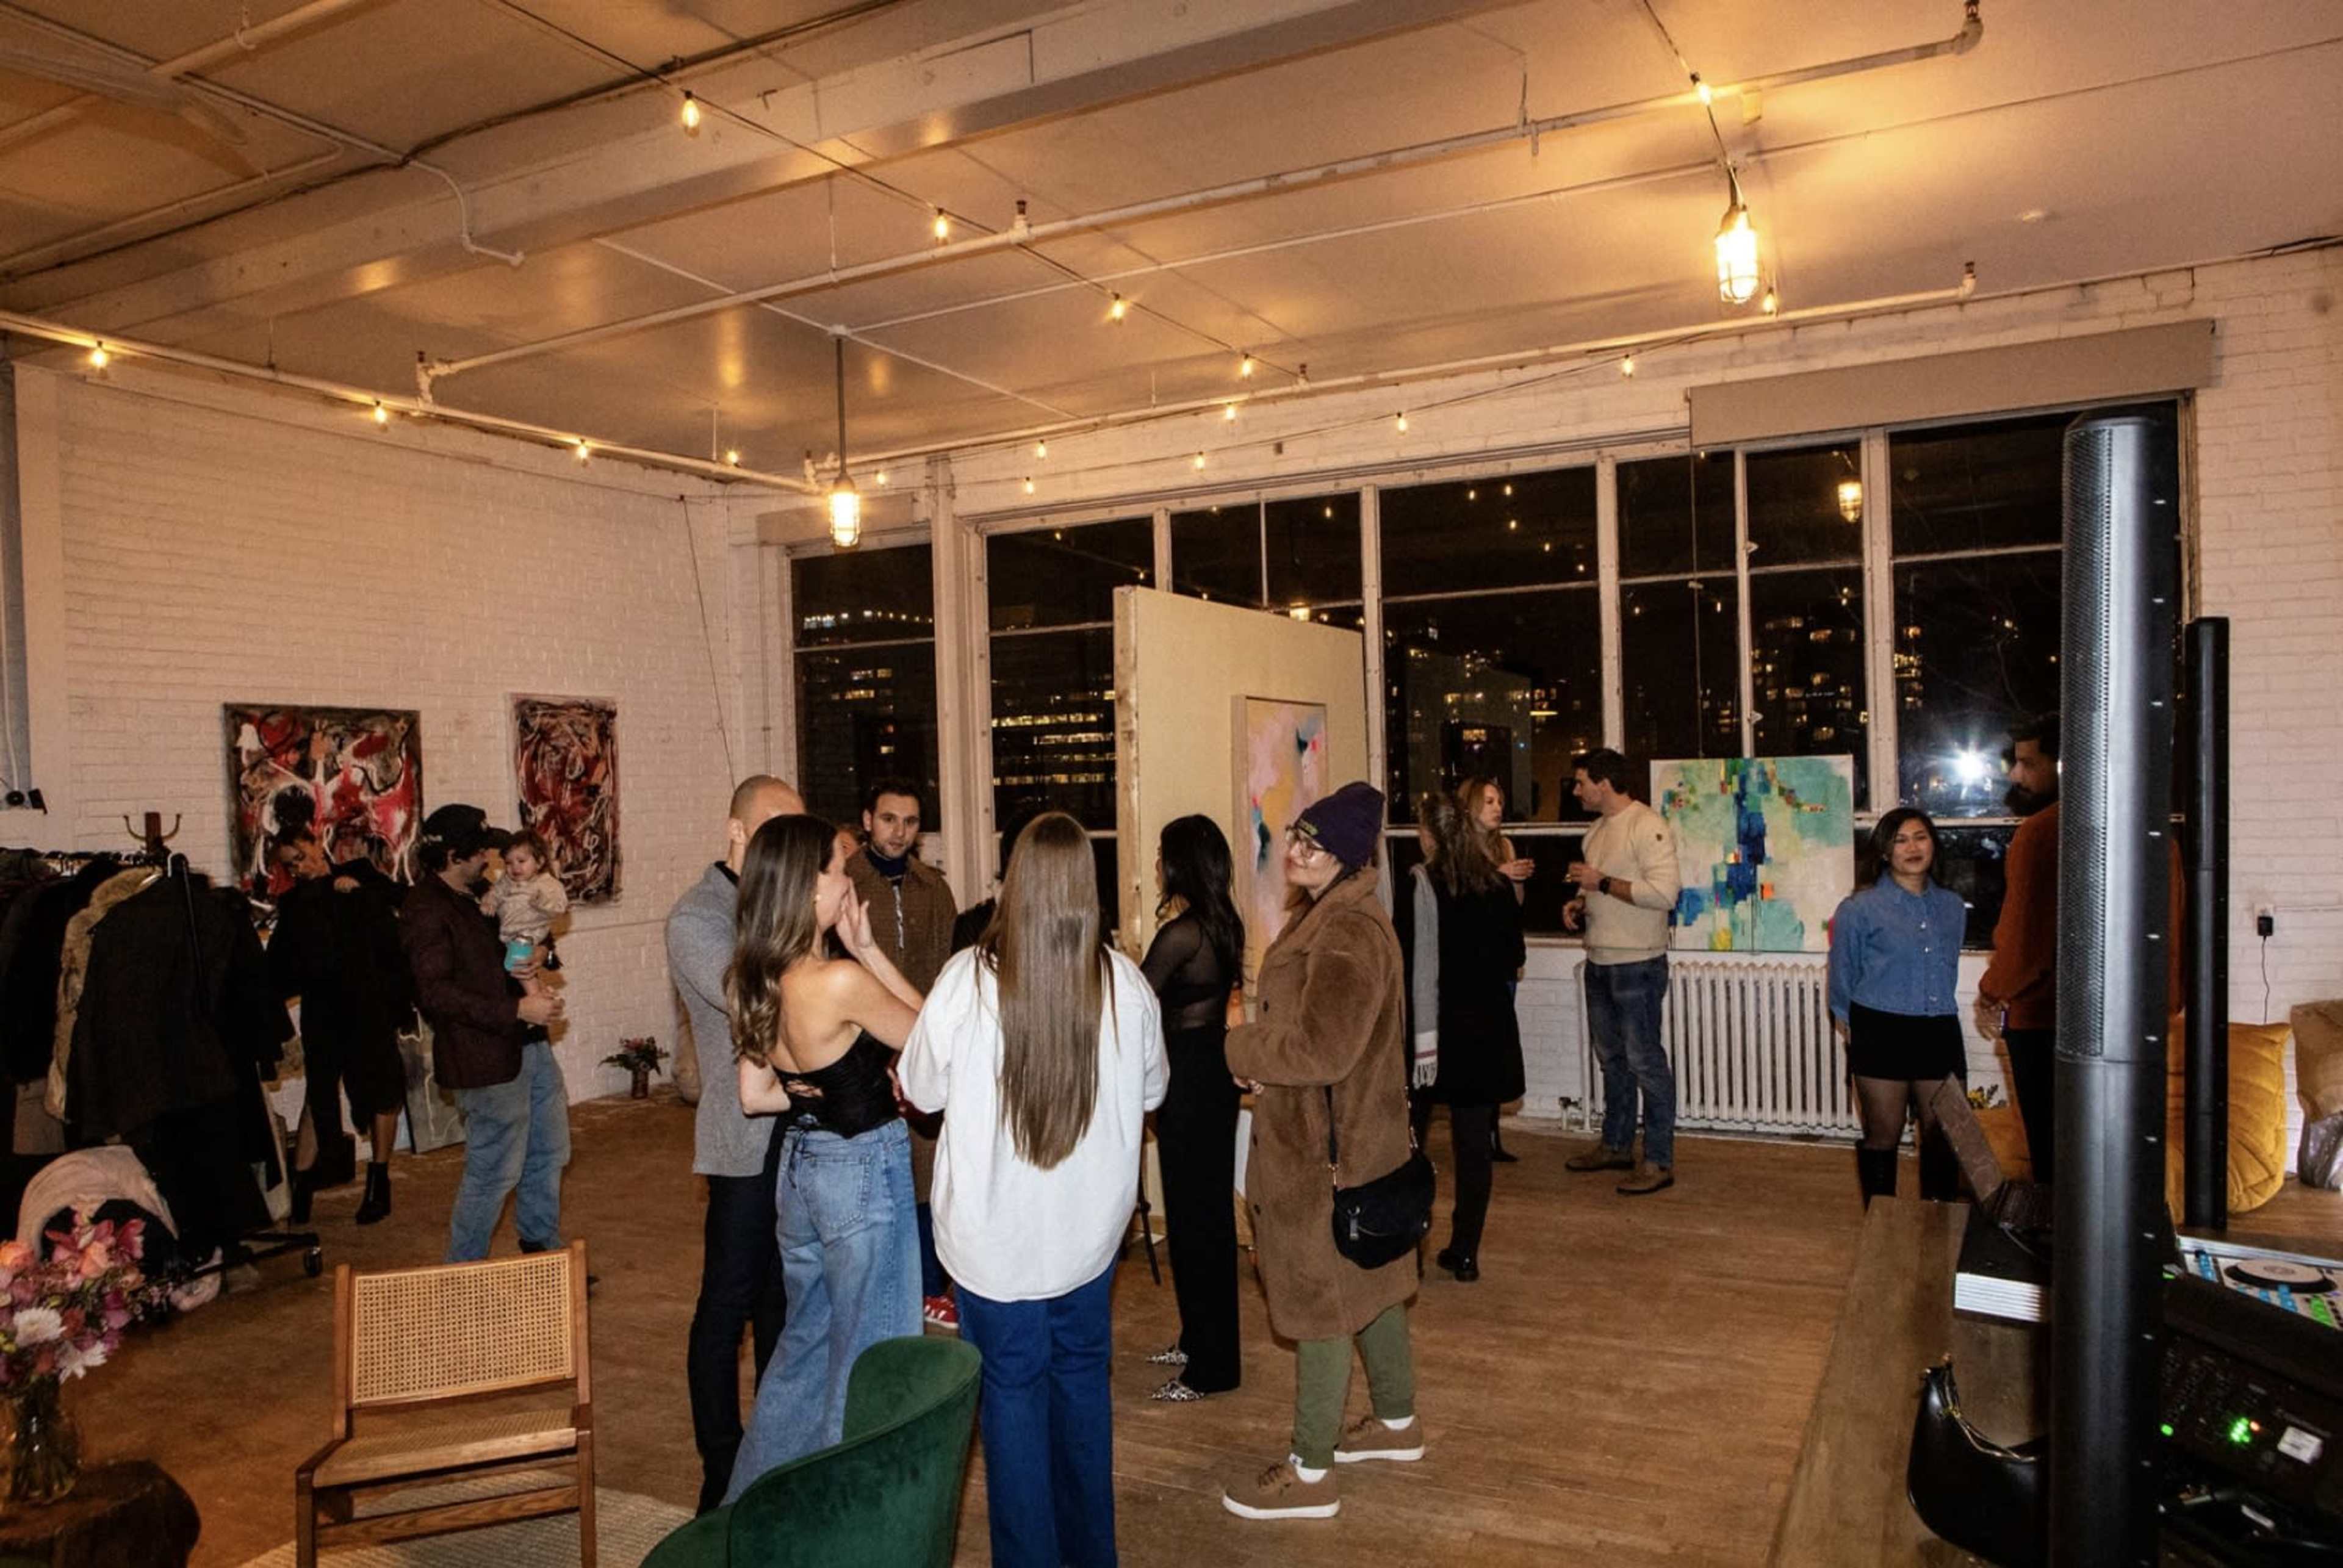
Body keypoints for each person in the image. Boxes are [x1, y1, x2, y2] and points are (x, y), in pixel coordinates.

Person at [900, 813, 1168, 1567]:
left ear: (1012, 883)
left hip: (995, 1246)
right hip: (1087, 1244)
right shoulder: (1128, 985)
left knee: (1012, 1402)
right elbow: (1154, 1091)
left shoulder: (965, 981)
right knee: (1081, 1387)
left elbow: (919, 1088)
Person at [1220, 782, 1422, 1522]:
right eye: (1295, 836)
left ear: (1345, 856)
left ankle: (1312, 1472)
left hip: (1324, 1153)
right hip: (1348, 1143)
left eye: (1313, 842)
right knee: (1369, 1282)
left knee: (1322, 1304)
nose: (1295, 851)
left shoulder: (1347, 932)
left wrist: (1242, 1046)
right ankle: (1398, 1422)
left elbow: (1323, 1047)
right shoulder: (1337, 916)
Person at [723, 815, 924, 1501]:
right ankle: (843, 1522)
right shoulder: (837, 979)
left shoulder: (750, 976)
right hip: (861, 1171)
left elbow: (757, 1095)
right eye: (841, 868)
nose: (850, 881)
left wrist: (822, 1089)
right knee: (870, 1357)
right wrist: (868, 949)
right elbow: (933, 1042)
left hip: (801, 1171)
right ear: (810, 889)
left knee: (804, 1352)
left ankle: (750, 1513)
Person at [666, 774, 803, 1512]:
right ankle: (721, 1471)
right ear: (737, 834)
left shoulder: (779, 908)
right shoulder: (699, 914)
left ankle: (774, 1455)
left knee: (785, 1305)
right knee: (727, 1310)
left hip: (798, 1132)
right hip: (741, 1142)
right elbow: (760, 997)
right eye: (776, 835)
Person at [398, 804, 567, 1262]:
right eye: (480, 854)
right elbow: (435, 994)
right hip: (485, 1059)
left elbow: (529, 937)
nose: (490, 861)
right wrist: (516, 1008)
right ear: (454, 855)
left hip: (528, 1047)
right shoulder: (426, 911)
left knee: (548, 1155)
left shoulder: (484, 894)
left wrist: (543, 954)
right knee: (493, 1172)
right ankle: (464, 1274)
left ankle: (543, 1257)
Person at [845, 777, 960, 1328]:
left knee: (928, 1167)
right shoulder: (843, 884)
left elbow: (947, 971)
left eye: (911, 822)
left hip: (924, 1045)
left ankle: (931, 1286)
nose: (900, 832)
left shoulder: (934, 889)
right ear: (868, 820)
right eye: (890, 819)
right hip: (860, 1050)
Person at [1137, 813, 1244, 1400]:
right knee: (1202, 1217)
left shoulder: (1182, 933)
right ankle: (1199, 1337)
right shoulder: (1224, 923)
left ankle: (1212, 1367)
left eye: (1162, 854)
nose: (1158, 865)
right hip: (1212, 1072)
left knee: (1195, 1219)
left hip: (1187, 1078)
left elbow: (1135, 997)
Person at [267, 832, 414, 1226]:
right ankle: (301, 1189)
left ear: (318, 845)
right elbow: (282, 965)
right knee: (318, 1094)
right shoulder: (297, 903)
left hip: (369, 1007)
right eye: (290, 864)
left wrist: (360, 890)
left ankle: (378, 1180)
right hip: (324, 1011)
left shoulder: (360, 874)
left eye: (301, 856)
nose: (299, 867)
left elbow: (400, 904)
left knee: (383, 1090)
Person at [1827, 808, 1971, 1205]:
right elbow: (1842, 978)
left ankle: (1937, 1230)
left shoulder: (1953, 907)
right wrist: (1854, 1031)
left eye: (1920, 837)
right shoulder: (1859, 909)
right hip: (1880, 1033)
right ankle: (1882, 1228)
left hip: (1939, 1032)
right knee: (1883, 1137)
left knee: (1944, 1136)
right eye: (1901, 840)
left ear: (1934, 845)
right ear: (1885, 852)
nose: (1912, 847)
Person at [1409, 793, 1525, 1281]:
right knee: (1473, 1147)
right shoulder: (1496, 884)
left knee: (1410, 1144)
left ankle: (1408, 1246)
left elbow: (1418, 964)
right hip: (1487, 1029)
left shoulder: (1424, 883)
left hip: (1434, 1034)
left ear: (1429, 835)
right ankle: (1465, 1250)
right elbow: (1513, 954)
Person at [1561, 749, 1683, 1196]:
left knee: (1645, 1062)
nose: (1577, 792)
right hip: (1600, 962)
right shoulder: (1596, 832)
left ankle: (1658, 1160)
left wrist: (1602, 884)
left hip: (1638, 964)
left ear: (1604, 783)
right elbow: (1595, 886)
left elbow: (1665, 894)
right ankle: (1616, 1144)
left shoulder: (1646, 825)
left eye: (1581, 783)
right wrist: (1579, 901)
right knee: (1612, 1060)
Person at [1975, 713, 2060, 1184]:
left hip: (2044, 1019)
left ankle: (2056, 1247)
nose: (2015, 775)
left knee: (2052, 1150)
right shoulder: (2142, 821)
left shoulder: (2040, 833)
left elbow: (2025, 938)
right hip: (2122, 1021)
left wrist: (1992, 991)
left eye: (2028, 763)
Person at [1455, 775, 1531, 1163]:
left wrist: (1515, 879)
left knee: (1500, 1045)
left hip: (1503, 955)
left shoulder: (1504, 845)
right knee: (1478, 1049)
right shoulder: (1460, 855)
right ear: (1470, 807)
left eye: (1499, 801)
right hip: (1474, 964)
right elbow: (1467, 906)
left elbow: (1513, 906)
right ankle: (1477, 1137)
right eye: (1488, 801)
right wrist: (1499, 876)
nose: (1498, 808)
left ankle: (1493, 1136)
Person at [482, 833, 569, 1000]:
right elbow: (496, 892)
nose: (515, 868)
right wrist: (490, 901)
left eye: (521, 861)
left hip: (529, 931)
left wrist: (542, 902)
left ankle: (535, 997)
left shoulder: (547, 884)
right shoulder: (507, 881)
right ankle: (543, 993)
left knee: (519, 965)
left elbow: (560, 907)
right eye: (508, 863)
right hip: (509, 931)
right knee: (516, 965)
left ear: (540, 862)